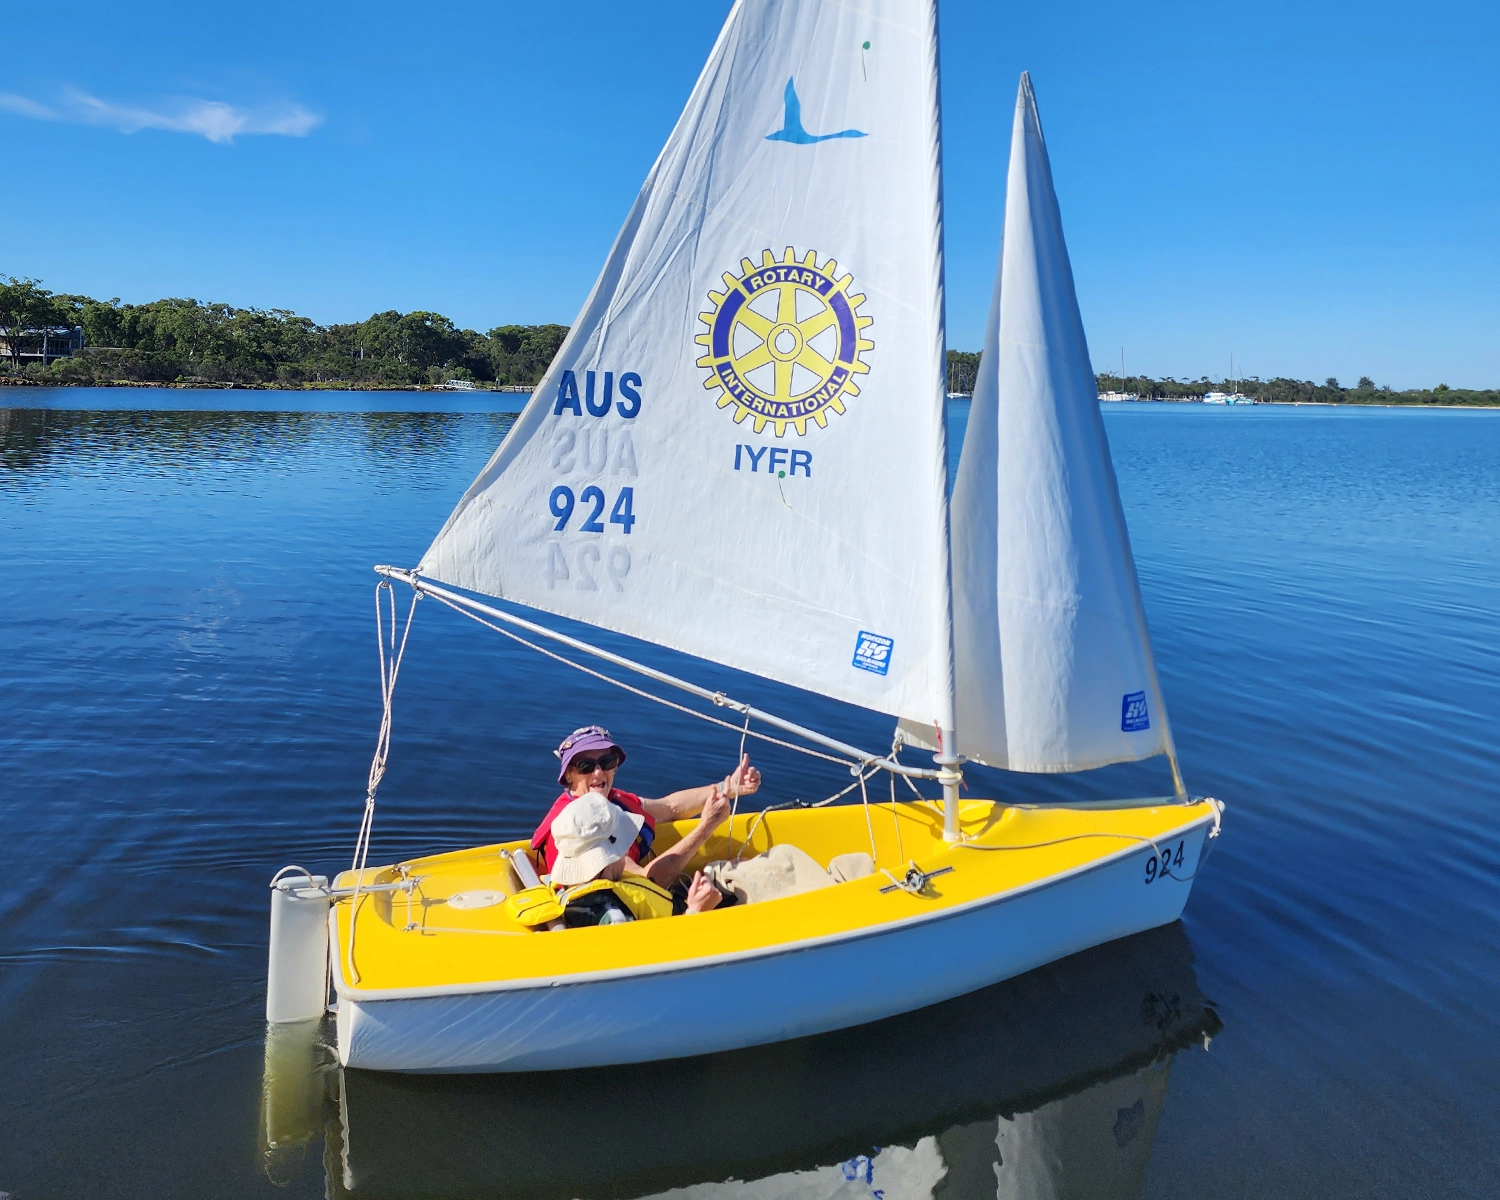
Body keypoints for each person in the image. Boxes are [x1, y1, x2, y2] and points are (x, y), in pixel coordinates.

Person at [532, 724, 759, 888]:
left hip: (634, 894)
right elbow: (648, 882)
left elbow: (669, 807)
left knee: (741, 867)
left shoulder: (610, 800)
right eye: (586, 766)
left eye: (607, 762)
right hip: (623, 913)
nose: (598, 772)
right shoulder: (581, 824)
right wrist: (706, 827)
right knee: (745, 875)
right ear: (569, 775)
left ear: (615, 767)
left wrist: (728, 787)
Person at [548, 792, 725, 926]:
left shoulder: (570, 890)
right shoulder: (612, 917)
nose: (626, 852)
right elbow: (647, 959)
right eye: (622, 846)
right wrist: (696, 911)